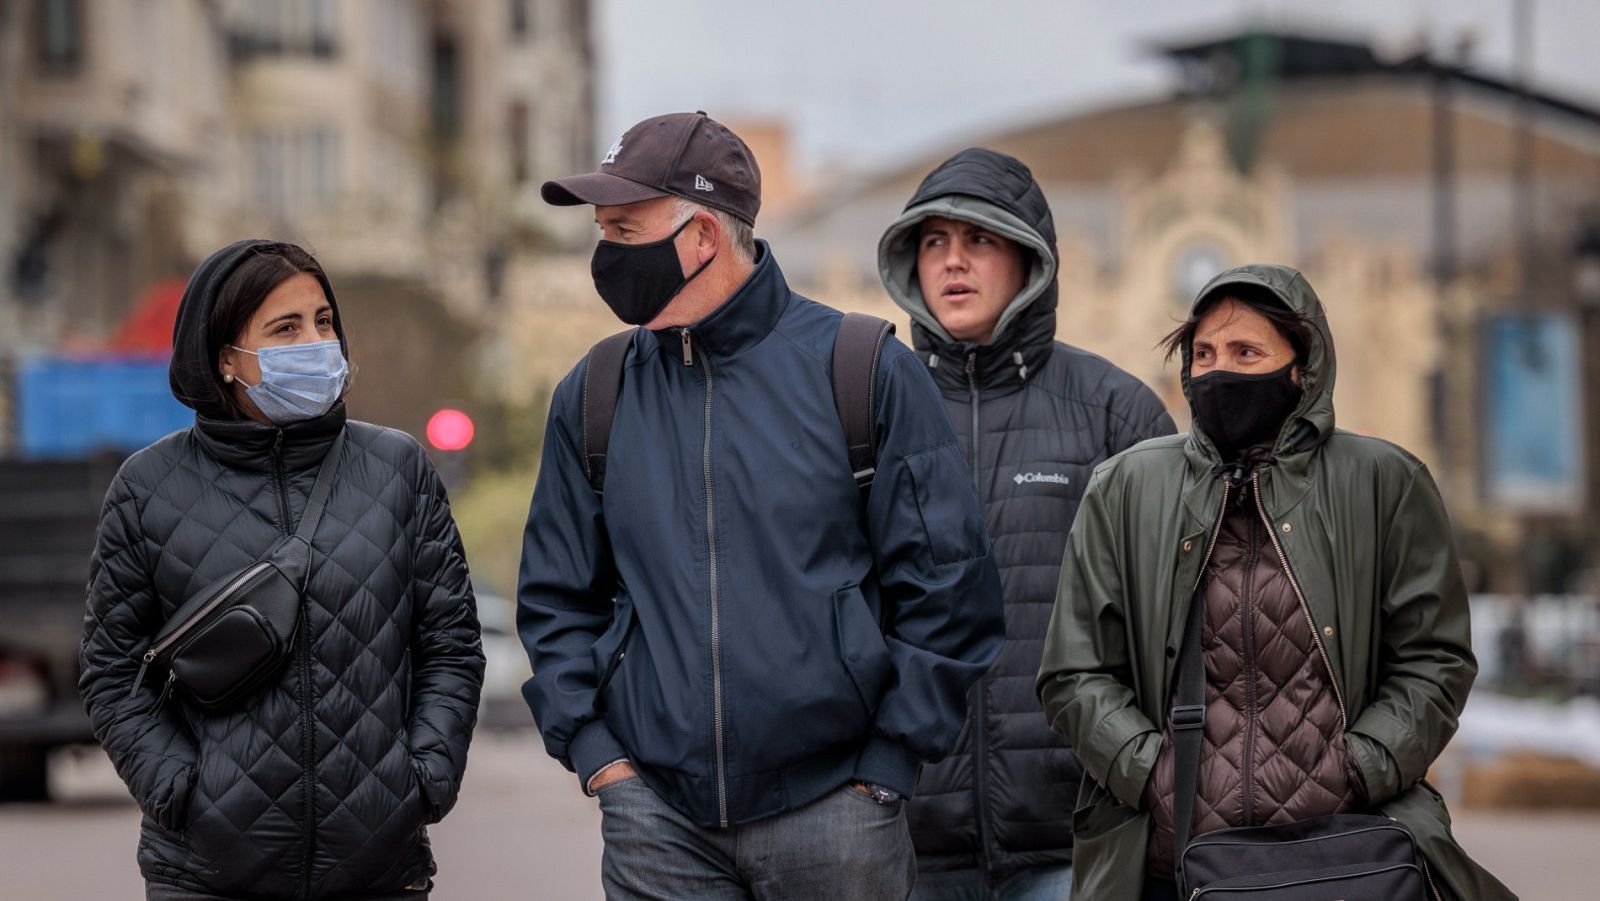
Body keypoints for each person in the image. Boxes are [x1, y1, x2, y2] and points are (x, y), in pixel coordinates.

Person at [519, 112, 1006, 900]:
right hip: (658, 825)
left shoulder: (862, 368)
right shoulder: (596, 390)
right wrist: (602, 761)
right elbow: (554, 596)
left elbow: (950, 593)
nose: (604, 255)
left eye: (622, 228)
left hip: (837, 816)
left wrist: (884, 769)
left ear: (703, 235)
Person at [1035, 264, 1515, 901]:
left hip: (1346, 857)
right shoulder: (1126, 488)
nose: (1219, 371)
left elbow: (1435, 658)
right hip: (1166, 864)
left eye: (1246, 352)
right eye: (1203, 353)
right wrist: (1152, 771)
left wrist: (1363, 764)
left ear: (1302, 367)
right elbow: (1073, 670)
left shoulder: (1384, 482)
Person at [80, 240, 485, 900]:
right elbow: (111, 668)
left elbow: (450, 645)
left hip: (378, 870)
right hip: (205, 875)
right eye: (286, 327)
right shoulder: (148, 486)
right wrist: (180, 791)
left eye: (324, 321)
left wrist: (423, 778)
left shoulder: (397, 471)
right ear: (225, 359)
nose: (316, 342)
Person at [875, 147, 1174, 900]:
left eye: (978, 240)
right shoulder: (868, 412)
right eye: (935, 242)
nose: (952, 262)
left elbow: (1177, 621)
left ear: (1030, 259)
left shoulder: (1115, 411)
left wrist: (1142, 770)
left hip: (1076, 841)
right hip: (909, 837)